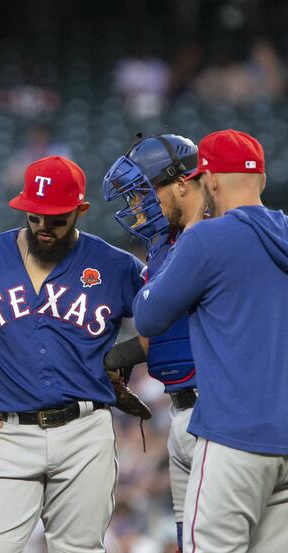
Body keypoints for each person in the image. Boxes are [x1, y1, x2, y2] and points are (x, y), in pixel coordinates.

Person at [0, 156, 146, 553]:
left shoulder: (115, 265)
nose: (42, 227)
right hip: (10, 432)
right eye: (34, 217)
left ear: (80, 210)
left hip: (85, 432)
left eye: (55, 218)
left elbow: (169, 319)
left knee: (79, 548)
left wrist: (121, 355)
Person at [133, 129, 288, 553]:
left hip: (232, 438)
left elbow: (148, 315)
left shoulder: (206, 239)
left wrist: (174, 255)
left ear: (212, 181)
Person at [102, 133, 203, 553]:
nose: (137, 206)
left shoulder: (219, 236)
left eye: (144, 192)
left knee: (214, 539)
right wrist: (124, 354)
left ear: (182, 181)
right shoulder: (164, 245)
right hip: (181, 408)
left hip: (218, 410)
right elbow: (170, 326)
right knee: (189, 538)